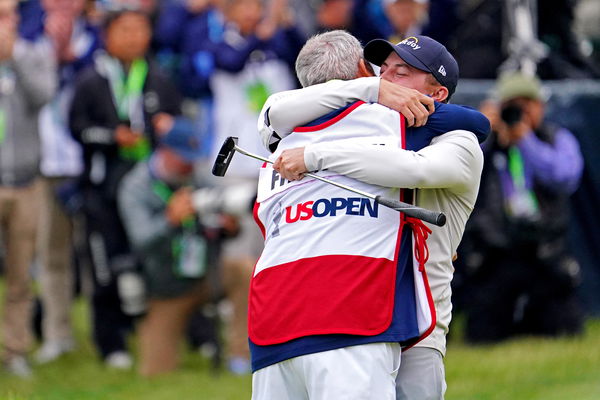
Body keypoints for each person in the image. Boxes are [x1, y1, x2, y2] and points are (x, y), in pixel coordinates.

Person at [251, 31, 488, 399]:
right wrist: (368, 92)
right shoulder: (371, 120)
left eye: (403, 73)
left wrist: (316, 157)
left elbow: (415, 168)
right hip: (369, 308)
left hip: (420, 324)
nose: (387, 80)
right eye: (384, 69)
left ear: (437, 93)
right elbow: (273, 112)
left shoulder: (458, 140)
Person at [69, 8, 182, 369]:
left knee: (154, 258)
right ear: (108, 36)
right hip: (103, 188)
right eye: (125, 30)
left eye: (140, 29)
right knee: (105, 267)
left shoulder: (159, 78)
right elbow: (76, 127)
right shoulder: (92, 79)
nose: (134, 37)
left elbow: (176, 129)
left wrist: (167, 128)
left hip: (149, 189)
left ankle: (162, 332)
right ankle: (110, 342)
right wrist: (110, 136)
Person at [455, 72, 584, 343]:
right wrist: (484, 134)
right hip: (497, 252)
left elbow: (565, 177)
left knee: (566, 329)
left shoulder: (555, 138)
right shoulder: (486, 144)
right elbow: (459, 175)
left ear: (542, 107)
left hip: (545, 251)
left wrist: (525, 140)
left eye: (528, 104)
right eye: (513, 105)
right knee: (481, 335)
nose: (520, 112)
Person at [32, 0, 101, 364]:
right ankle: (57, 334)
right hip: (46, 162)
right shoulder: (30, 37)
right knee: (52, 253)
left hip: (88, 161)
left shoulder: (96, 36)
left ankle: (100, 335)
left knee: (93, 254)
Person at [117, 114, 212, 376]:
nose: (189, 166)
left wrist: (228, 225)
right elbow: (141, 242)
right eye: (184, 158)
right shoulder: (136, 186)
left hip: (206, 273)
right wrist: (170, 221)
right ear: (165, 151)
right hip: (165, 285)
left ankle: (241, 357)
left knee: (244, 271)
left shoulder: (198, 174)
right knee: (155, 372)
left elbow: (221, 206)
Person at [0, 0, 57, 377]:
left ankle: (14, 349)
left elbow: (44, 96)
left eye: (9, 16)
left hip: (26, 183)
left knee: (21, 273)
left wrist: (14, 58)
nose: (6, 23)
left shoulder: (33, 54)